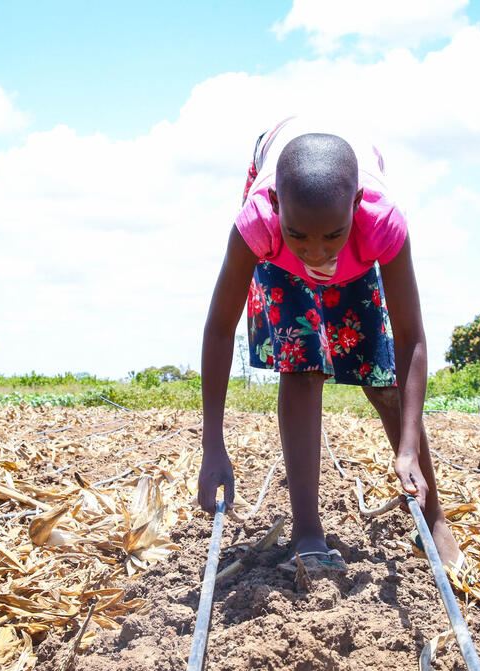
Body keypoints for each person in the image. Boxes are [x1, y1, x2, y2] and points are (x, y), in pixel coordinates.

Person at [196, 117, 462, 573]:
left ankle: (432, 516)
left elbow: (410, 337)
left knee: (383, 381)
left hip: (353, 239)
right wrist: (212, 444)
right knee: (302, 365)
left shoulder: (380, 223)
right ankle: (307, 531)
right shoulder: (260, 224)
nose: (316, 253)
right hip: (285, 222)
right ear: (277, 205)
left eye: (330, 236)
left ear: (357, 205)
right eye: (300, 235)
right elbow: (220, 328)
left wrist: (409, 448)